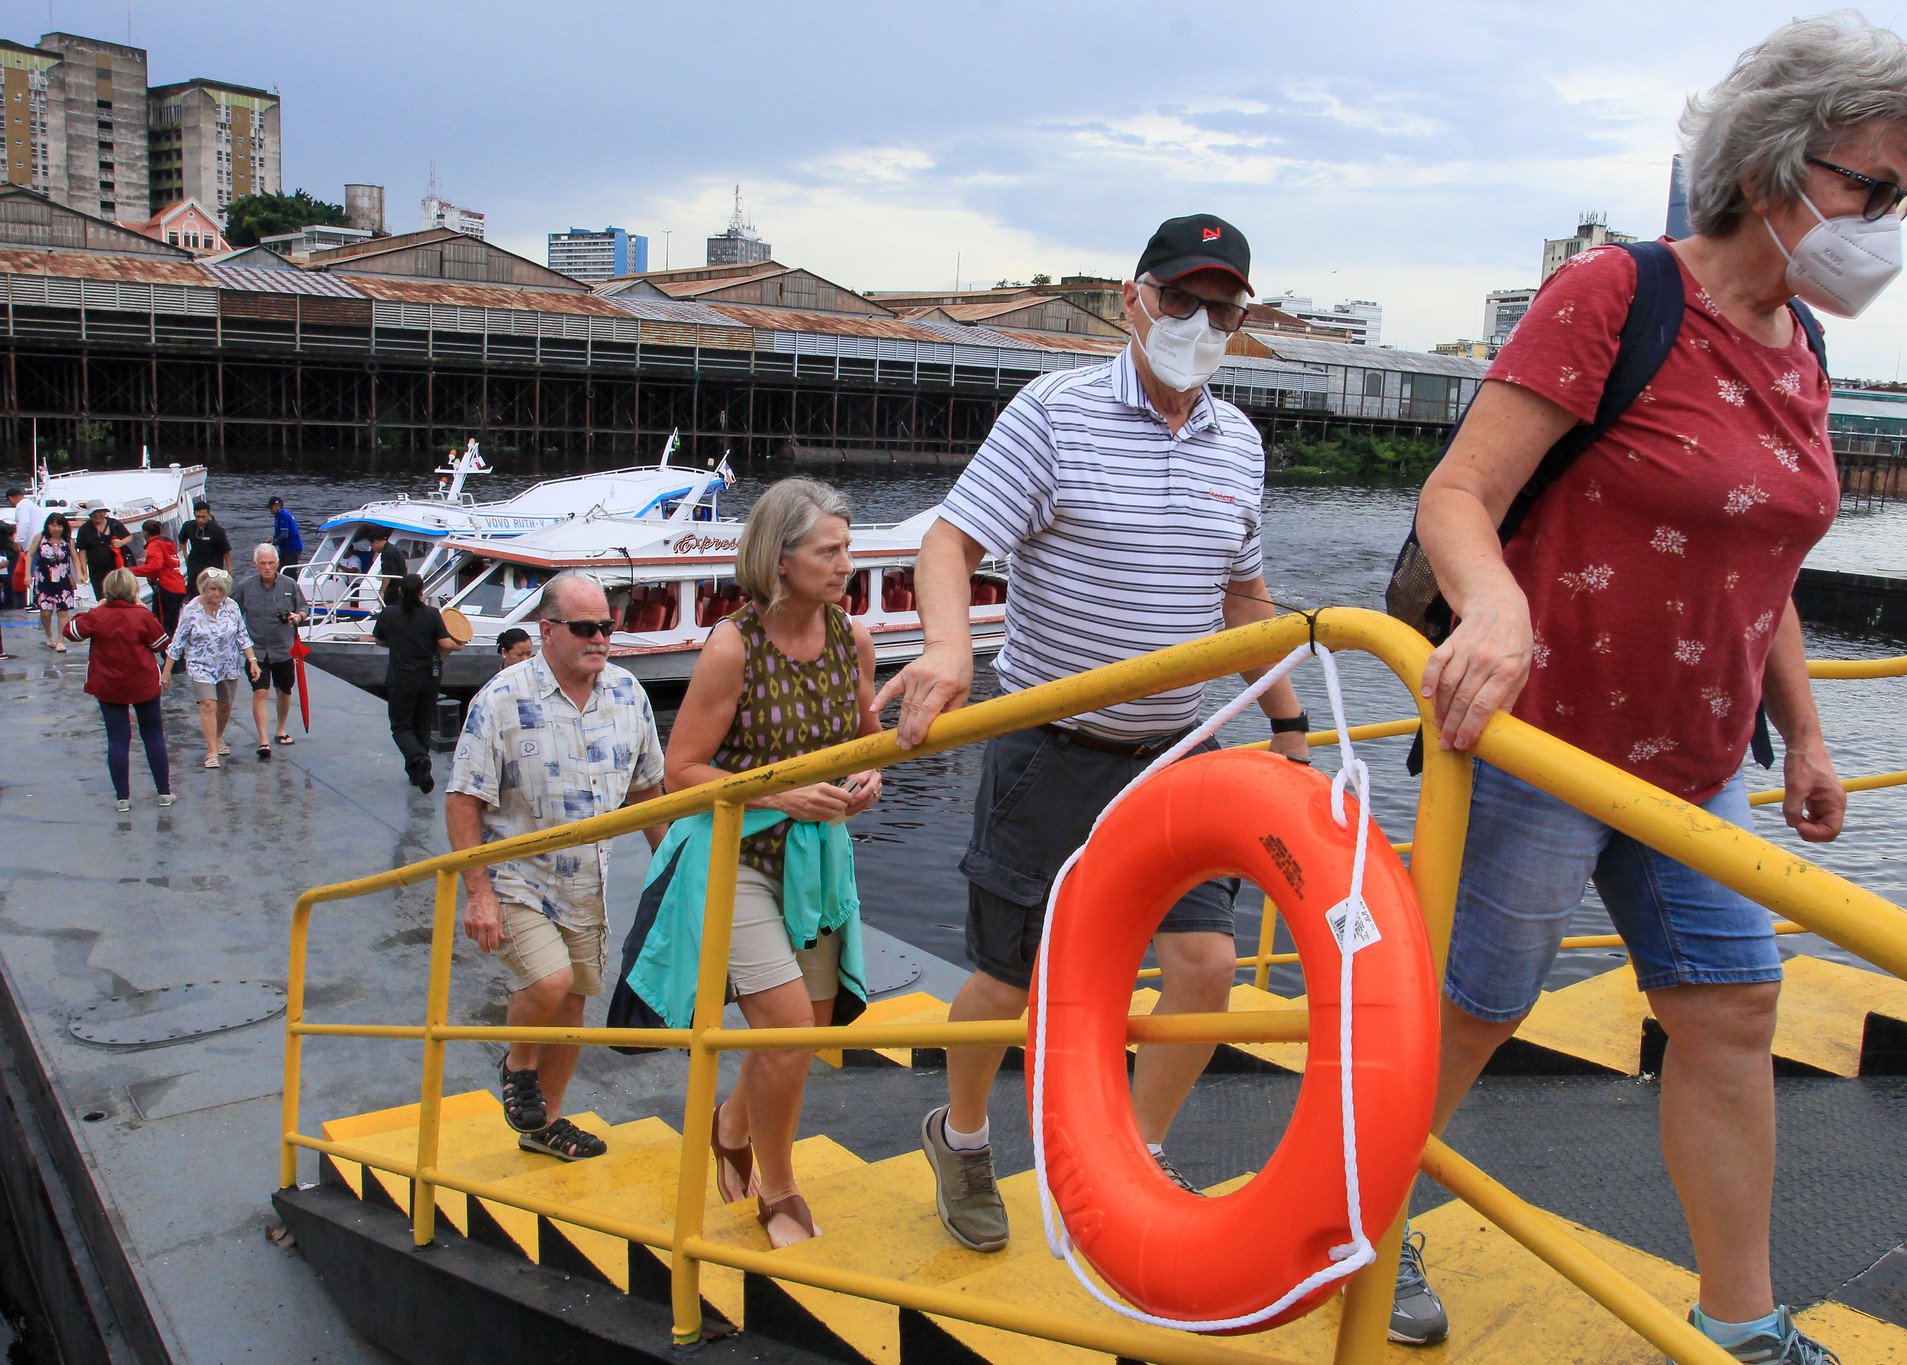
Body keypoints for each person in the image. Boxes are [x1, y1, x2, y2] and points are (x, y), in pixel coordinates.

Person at [1403, 17, 1907, 1358]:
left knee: (1732, 1010)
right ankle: (1364, 1219)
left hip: (1697, 763)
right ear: (1774, 170)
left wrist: (1804, 735)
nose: (1889, 222)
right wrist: (1499, 604)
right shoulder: (1617, 293)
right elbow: (1461, 493)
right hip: (1539, 740)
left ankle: (1742, 1321)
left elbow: (1760, 560)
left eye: (1904, 197)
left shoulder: (1802, 345)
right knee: (1473, 1010)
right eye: (1874, 189)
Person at [876, 213, 1311, 1253]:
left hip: (1174, 755)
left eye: (1221, 309)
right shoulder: (1053, 413)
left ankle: (1127, 1158)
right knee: (1005, 980)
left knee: (1203, 964)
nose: (1197, 324)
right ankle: (966, 1135)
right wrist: (945, 651)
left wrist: (1291, 728)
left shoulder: (1236, 441)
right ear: (1131, 299)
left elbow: (1241, 602)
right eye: (1179, 301)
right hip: (1051, 749)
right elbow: (949, 541)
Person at [657, 479, 882, 1247]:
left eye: (846, 547)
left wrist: (870, 775)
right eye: (831, 550)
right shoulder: (733, 646)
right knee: (785, 1030)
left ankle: (730, 1120)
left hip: (816, 857)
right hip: (744, 856)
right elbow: (680, 771)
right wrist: (782, 792)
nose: (846, 563)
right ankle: (779, 1189)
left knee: (810, 1027)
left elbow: (866, 734)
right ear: (781, 560)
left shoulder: (852, 638)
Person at [446, 574, 666, 1161]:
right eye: (585, 628)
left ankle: (547, 1124)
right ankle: (518, 1062)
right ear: (547, 631)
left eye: (607, 628)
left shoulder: (627, 695)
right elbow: (464, 798)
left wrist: (673, 867)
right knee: (549, 982)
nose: (600, 638)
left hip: (586, 881)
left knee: (571, 1006)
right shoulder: (501, 698)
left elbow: (648, 792)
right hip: (516, 874)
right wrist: (479, 895)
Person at [63, 569, 175, 812]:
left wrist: (93, 610)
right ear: (133, 591)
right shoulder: (141, 615)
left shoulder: (97, 615)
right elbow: (160, 644)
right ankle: (164, 792)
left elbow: (71, 632)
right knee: (153, 734)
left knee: (117, 739)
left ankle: (122, 797)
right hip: (142, 683)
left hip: (108, 684)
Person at [163, 567, 260, 769]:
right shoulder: (191, 610)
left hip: (228, 664)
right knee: (208, 704)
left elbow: (242, 635)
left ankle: (217, 736)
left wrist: (252, 660)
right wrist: (167, 671)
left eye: (221, 590)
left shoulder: (231, 607)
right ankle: (211, 751)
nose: (216, 593)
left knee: (225, 705)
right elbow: (178, 641)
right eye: (213, 589)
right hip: (200, 664)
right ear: (203, 589)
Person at [373, 573, 461, 792]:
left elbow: (379, 639)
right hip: (429, 678)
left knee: (401, 726)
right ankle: (418, 773)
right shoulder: (432, 614)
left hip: (401, 678)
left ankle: (418, 758)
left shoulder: (389, 614)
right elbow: (444, 643)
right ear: (422, 592)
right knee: (422, 724)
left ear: (400, 591)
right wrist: (459, 644)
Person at [232, 544, 310, 758]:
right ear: (255, 564)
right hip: (255, 650)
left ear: (277, 563)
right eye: (263, 563)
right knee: (260, 692)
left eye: (271, 563)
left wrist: (298, 617)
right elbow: (232, 610)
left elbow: (304, 608)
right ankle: (263, 740)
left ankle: (281, 729)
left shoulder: (289, 584)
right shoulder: (245, 586)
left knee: (284, 690)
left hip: (283, 648)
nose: (267, 567)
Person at [30, 510, 83, 651]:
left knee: (63, 611)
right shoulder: (40, 538)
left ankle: (61, 640)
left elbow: (75, 558)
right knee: (46, 612)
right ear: (48, 526)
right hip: (44, 579)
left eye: (60, 526)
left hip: (63, 579)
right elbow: (29, 555)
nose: (56, 529)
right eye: (53, 525)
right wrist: (27, 575)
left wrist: (80, 573)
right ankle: (49, 634)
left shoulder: (68, 541)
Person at [135, 520, 188, 643]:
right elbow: (168, 562)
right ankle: (176, 654)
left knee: (162, 623)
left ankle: (168, 654)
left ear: (145, 532)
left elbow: (155, 567)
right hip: (178, 585)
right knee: (173, 622)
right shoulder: (167, 543)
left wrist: (130, 570)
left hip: (165, 587)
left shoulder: (154, 545)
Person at [74, 501, 131, 597]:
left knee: (120, 596)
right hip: (96, 572)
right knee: (102, 597)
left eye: (100, 512)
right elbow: (82, 552)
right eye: (94, 513)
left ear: (104, 512)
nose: (97, 515)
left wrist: (121, 542)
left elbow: (129, 537)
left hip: (117, 569)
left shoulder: (114, 524)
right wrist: (84, 572)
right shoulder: (84, 529)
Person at [178, 499, 232, 581]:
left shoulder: (217, 531)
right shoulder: (188, 526)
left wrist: (229, 569)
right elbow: (182, 540)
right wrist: (185, 555)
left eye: (203, 517)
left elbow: (226, 551)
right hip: (194, 567)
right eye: (198, 517)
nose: (200, 520)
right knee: (193, 591)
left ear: (209, 514)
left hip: (213, 570)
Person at [368, 528, 407, 607]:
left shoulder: (388, 552)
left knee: (390, 609)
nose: (373, 549)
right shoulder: (393, 549)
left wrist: (382, 591)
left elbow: (388, 575)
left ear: (376, 542)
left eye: (372, 546)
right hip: (399, 585)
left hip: (393, 589)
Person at [269, 496, 303, 570]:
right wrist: (274, 537)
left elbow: (285, 534)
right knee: (280, 570)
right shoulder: (278, 515)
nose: (270, 510)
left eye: (270, 507)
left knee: (289, 572)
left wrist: (273, 544)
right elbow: (280, 532)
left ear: (276, 506)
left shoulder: (283, 514)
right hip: (285, 548)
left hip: (292, 548)